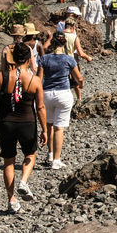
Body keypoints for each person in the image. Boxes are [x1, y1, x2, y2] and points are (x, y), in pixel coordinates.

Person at [0, 43, 47, 214]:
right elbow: (40, 107)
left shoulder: (2, 76)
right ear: (28, 59)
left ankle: (11, 200)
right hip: (27, 122)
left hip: (6, 124)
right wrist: (45, 130)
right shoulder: (35, 80)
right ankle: (24, 181)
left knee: (8, 161)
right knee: (30, 154)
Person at [37, 38, 82, 170]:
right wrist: (81, 85)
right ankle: (56, 160)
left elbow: (39, 79)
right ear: (63, 45)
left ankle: (50, 154)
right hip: (63, 93)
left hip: (47, 93)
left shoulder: (44, 59)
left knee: (49, 125)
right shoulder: (69, 59)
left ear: (52, 44)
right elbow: (78, 77)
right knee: (59, 128)